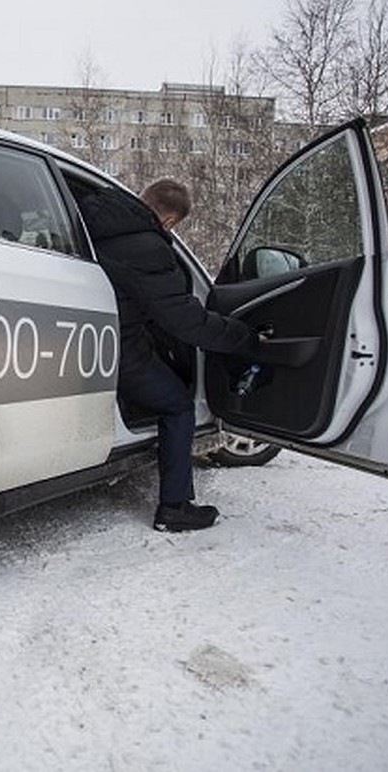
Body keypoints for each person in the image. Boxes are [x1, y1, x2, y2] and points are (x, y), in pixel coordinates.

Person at [78, 179, 260, 533]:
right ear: (171, 222)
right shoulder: (149, 247)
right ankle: (174, 507)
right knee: (178, 404)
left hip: (86, 336)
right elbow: (185, 322)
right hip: (118, 347)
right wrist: (244, 338)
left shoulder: (90, 214)